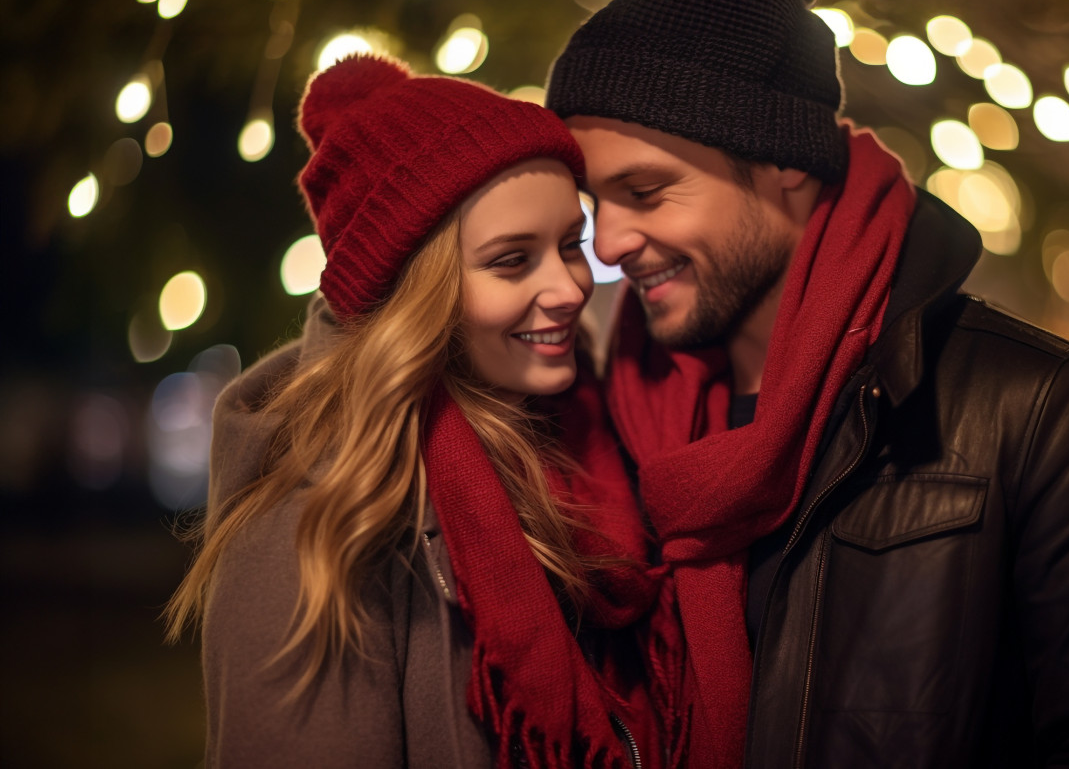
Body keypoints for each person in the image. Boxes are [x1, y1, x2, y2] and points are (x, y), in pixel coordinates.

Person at [545, 0, 1069, 768]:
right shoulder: (610, 419)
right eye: (595, 199)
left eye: (645, 192)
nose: (608, 241)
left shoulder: (1045, 409)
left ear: (783, 164)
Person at [164, 54, 687, 769]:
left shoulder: (589, 444)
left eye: (570, 245)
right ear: (415, 292)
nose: (568, 287)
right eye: (512, 260)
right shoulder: (320, 525)